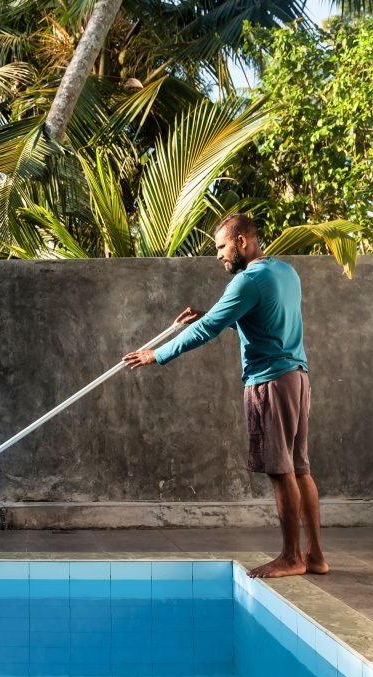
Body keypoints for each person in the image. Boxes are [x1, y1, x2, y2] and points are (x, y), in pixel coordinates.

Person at [124, 214, 329, 578]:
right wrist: (215, 314)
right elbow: (263, 317)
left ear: (242, 242)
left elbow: (207, 330)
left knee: (281, 472)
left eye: (221, 246)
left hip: (269, 381)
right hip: (297, 377)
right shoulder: (284, 272)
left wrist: (157, 354)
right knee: (300, 469)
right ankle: (315, 556)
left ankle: (291, 556)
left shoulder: (247, 280)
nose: (218, 255)